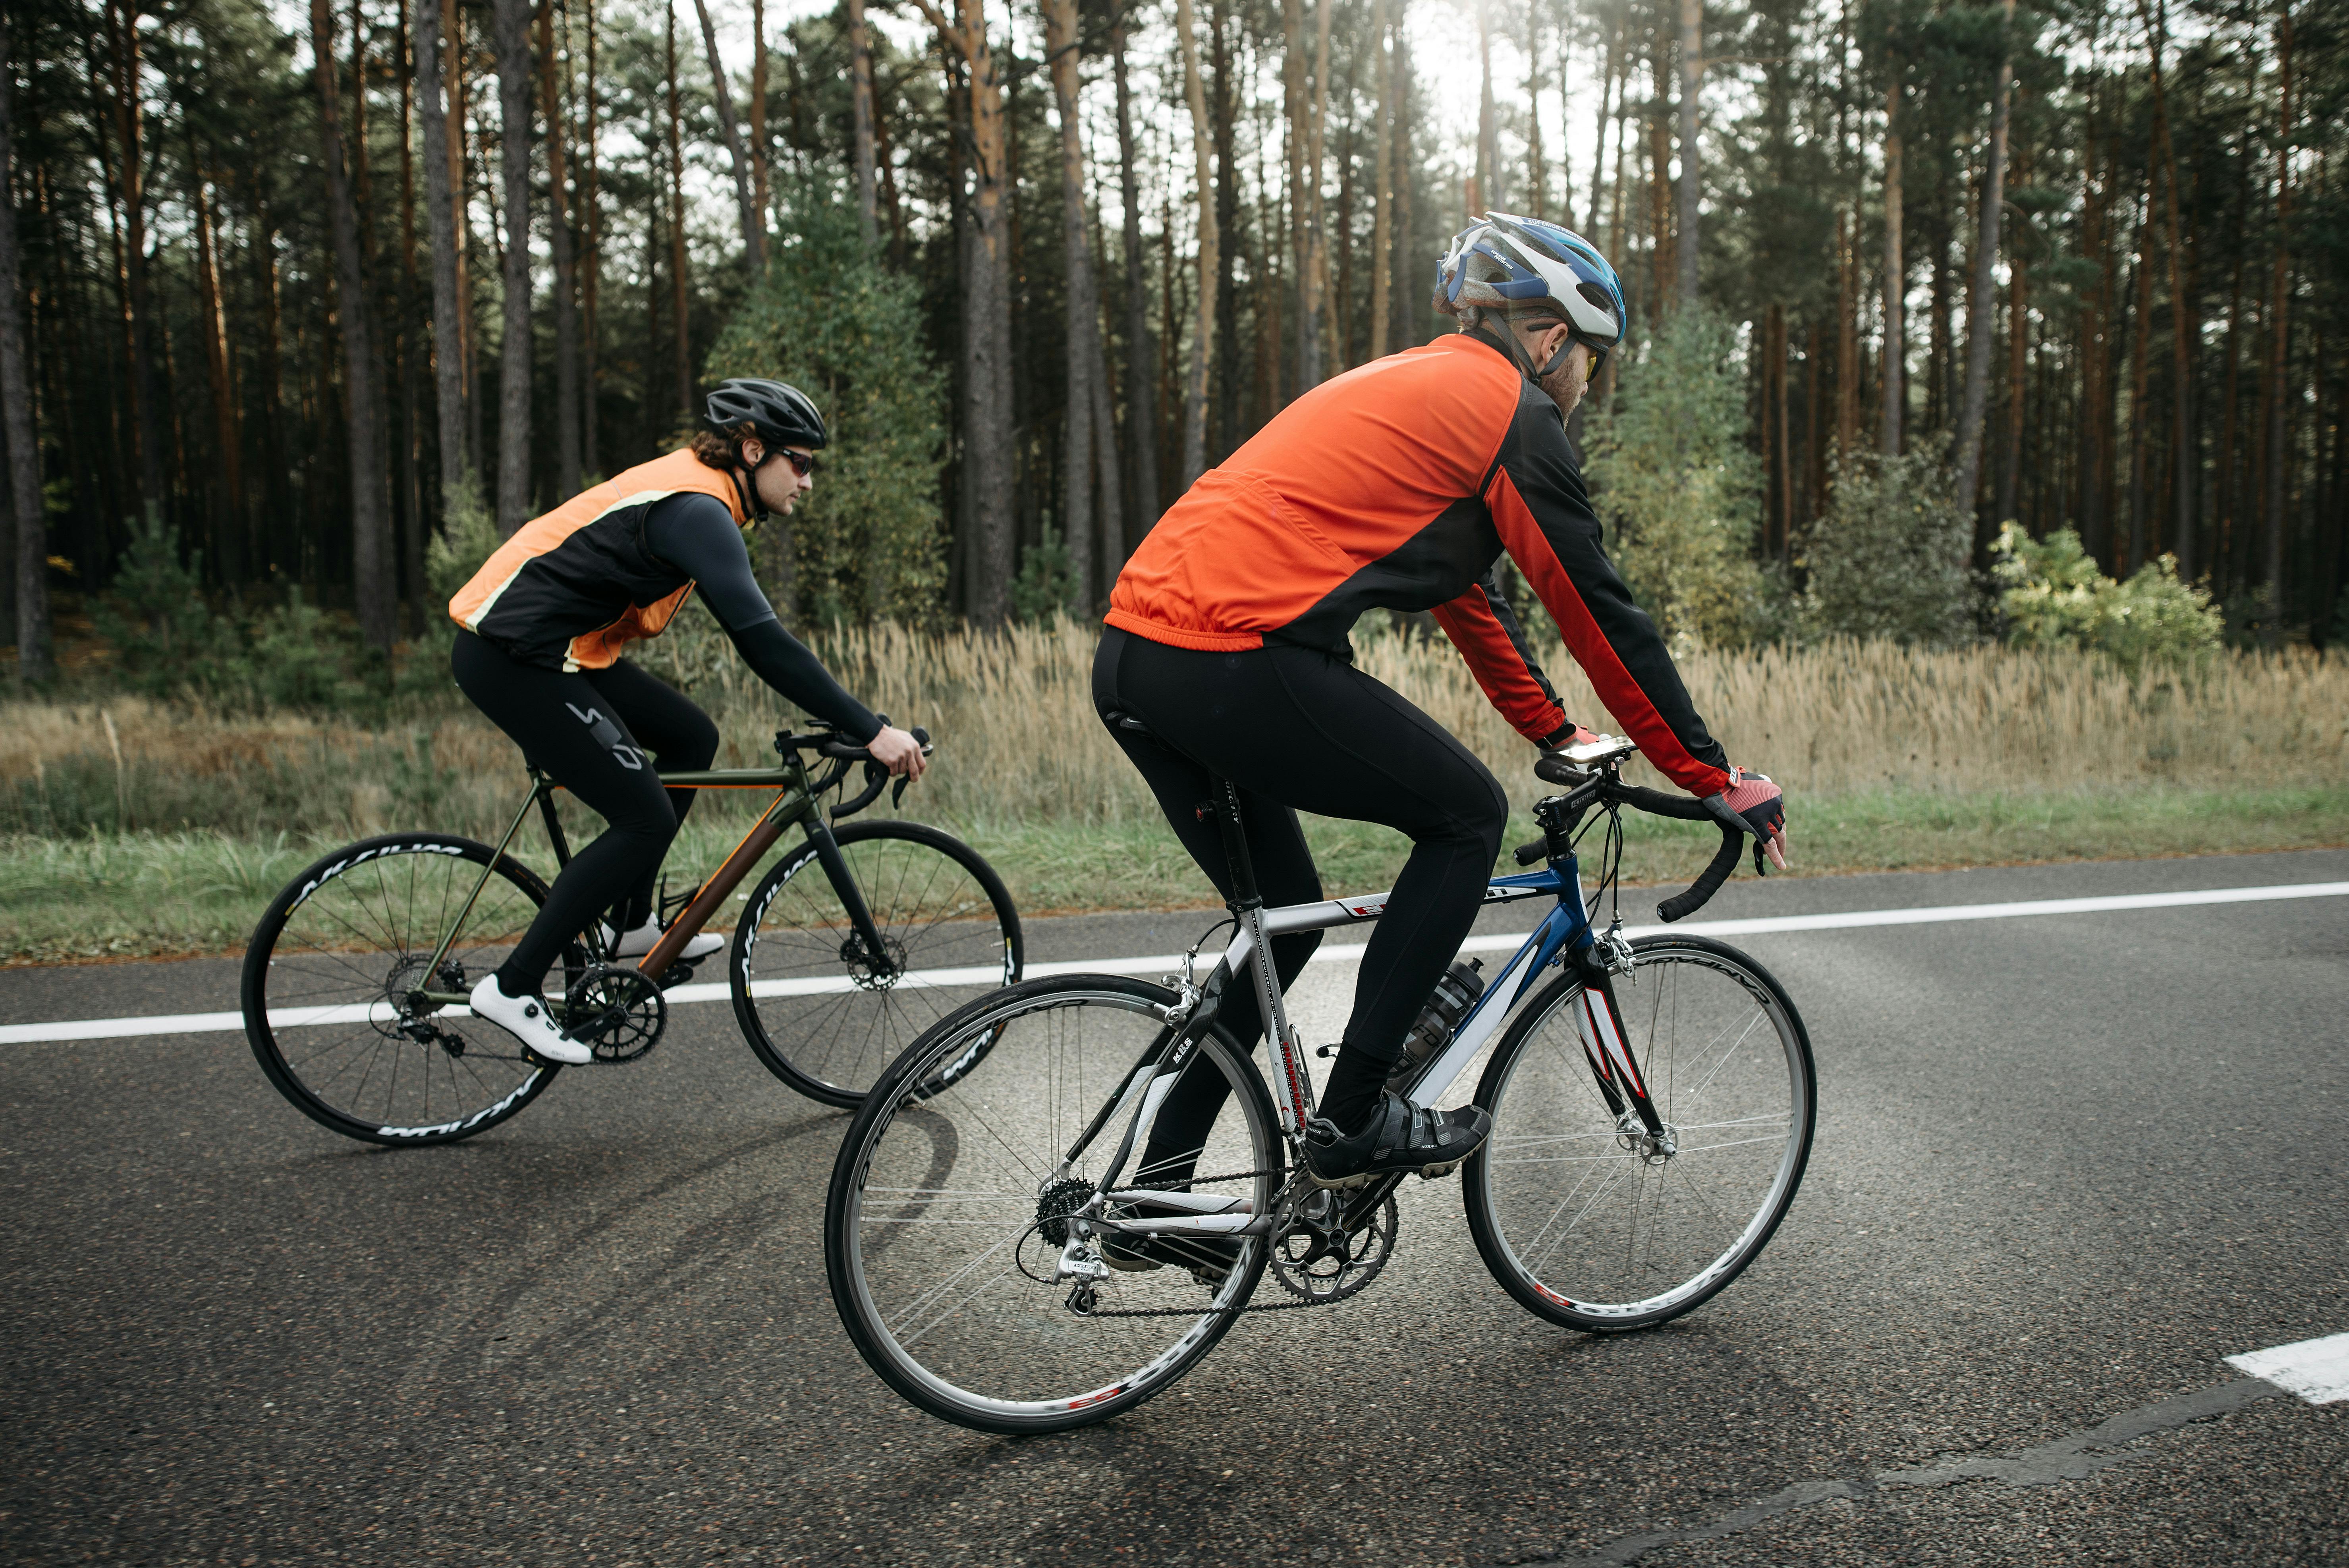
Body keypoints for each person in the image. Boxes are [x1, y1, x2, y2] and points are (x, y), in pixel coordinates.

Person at [1094, 214, 1789, 1203]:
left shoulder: (1413, 388)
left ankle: (1149, 1192)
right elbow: (1595, 604)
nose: (1587, 387)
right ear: (1550, 338)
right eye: (1592, 362)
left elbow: (1472, 597)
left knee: (1283, 927)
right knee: (1466, 818)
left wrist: (1553, 729)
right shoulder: (1511, 407)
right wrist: (1712, 775)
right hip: (1232, 654)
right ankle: (1356, 1117)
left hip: (1135, 659)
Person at [447, 378, 926, 1065]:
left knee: (689, 738)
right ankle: (514, 985)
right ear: (752, 448)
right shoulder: (697, 508)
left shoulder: (707, 497)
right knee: (643, 818)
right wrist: (873, 728)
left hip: (563, 647)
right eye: (801, 461)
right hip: (513, 653)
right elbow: (763, 641)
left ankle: (631, 925)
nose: (809, 481)